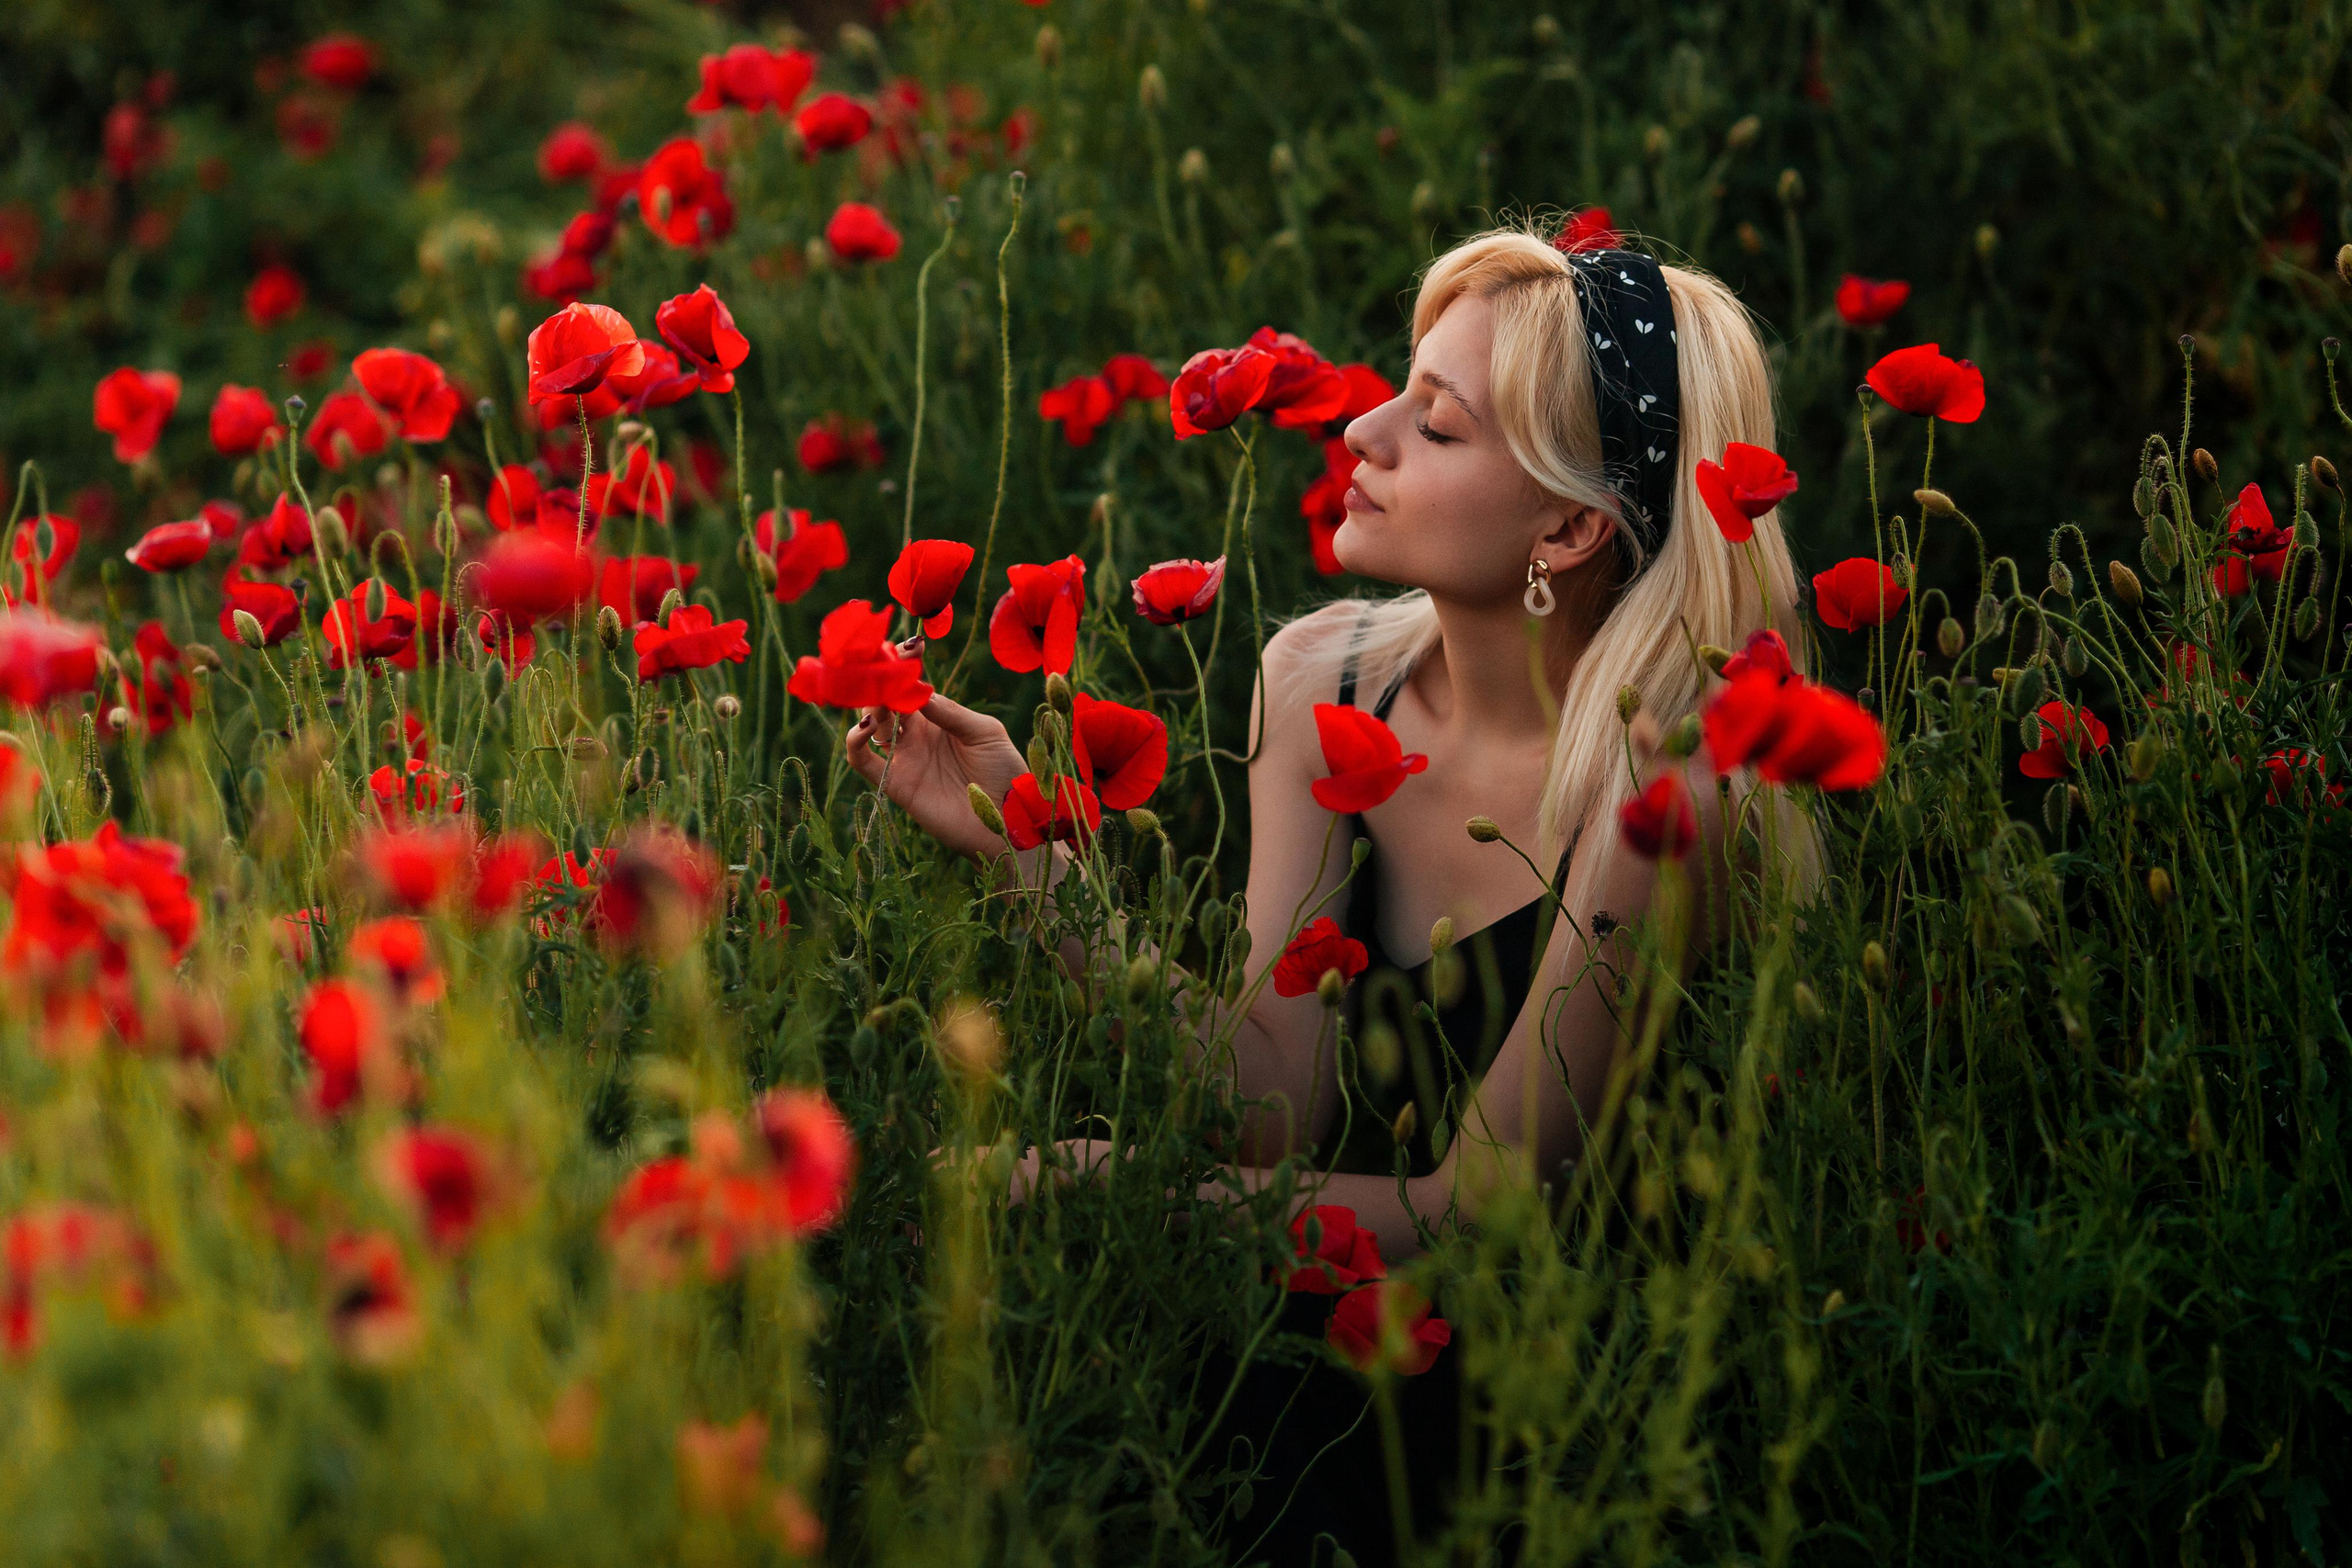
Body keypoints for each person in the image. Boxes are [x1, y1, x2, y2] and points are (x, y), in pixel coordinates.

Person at [843, 219, 1809, 1566]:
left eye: (1438, 424)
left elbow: (1485, 1207)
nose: (1363, 430)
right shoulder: (1321, 680)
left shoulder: (1660, 793)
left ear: (1569, 525)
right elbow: (1269, 1103)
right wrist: (1026, 850)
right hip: (1302, 1338)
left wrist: (1121, 1188)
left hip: (1541, 1425)